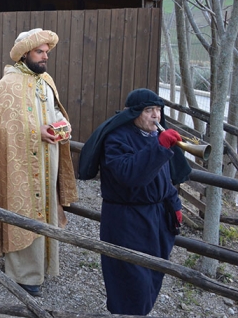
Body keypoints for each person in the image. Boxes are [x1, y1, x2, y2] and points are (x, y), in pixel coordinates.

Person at [0, 28, 78, 297]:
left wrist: (62, 125)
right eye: (40, 52)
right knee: (22, 210)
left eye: (47, 52)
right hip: (20, 167)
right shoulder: (7, 86)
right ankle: (24, 274)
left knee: (45, 209)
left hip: (47, 162)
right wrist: (37, 132)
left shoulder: (46, 80)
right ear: (24, 54)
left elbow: (54, 111)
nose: (45, 56)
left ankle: (43, 266)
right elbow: (2, 128)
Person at [78, 88, 190, 315]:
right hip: (127, 221)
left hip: (157, 218)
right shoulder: (117, 138)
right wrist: (159, 148)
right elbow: (130, 175)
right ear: (134, 112)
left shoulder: (152, 135)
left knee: (152, 275)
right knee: (130, 278)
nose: (156, 116)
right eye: (149, 110)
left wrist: (175, 204)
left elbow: (164, 179)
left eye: (158, 110)